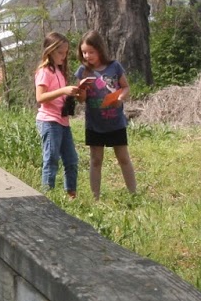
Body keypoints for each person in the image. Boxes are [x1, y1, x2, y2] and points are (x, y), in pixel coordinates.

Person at [76, 30, 137, 198]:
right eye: (84, 52)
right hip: (94, 124)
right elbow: (81, 100)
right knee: (96, 160)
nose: (87, 56)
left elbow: (125, 87)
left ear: (100, 50)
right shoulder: (82, 71)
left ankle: (133, 193)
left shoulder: (114, 66)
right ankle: (95, 196)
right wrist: (81, 89)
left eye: (91, 52)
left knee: (123, 157)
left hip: (116, 122)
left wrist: (120, 97)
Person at [35, 32, 83, 199]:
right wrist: (63, 90)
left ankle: (71, 195)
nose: (64, 56)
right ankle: (47, 196)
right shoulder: (44, 71)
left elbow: (59, 95)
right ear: (50, 51)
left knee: (71, 160)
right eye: (60, 53)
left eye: (66, 53)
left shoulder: (59, 71)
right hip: (49, 121)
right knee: (52, 159)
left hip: (63, 122)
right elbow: (40, 97)